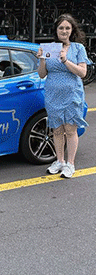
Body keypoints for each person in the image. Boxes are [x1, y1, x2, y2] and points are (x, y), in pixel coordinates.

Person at [37, 13, 89, 178]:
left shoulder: (78, 48)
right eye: (61, 28)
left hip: (72, 94)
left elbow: (82, 73)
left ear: (72, 30)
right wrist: (42, 60)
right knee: (57, 130)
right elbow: (42, 74)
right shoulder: (50, 48)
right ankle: (59, 161)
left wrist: (66, 61)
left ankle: (70, 164)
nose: (64, 31)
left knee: (70, 129)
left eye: (67, 28)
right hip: (53, 94)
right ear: (56, 30)